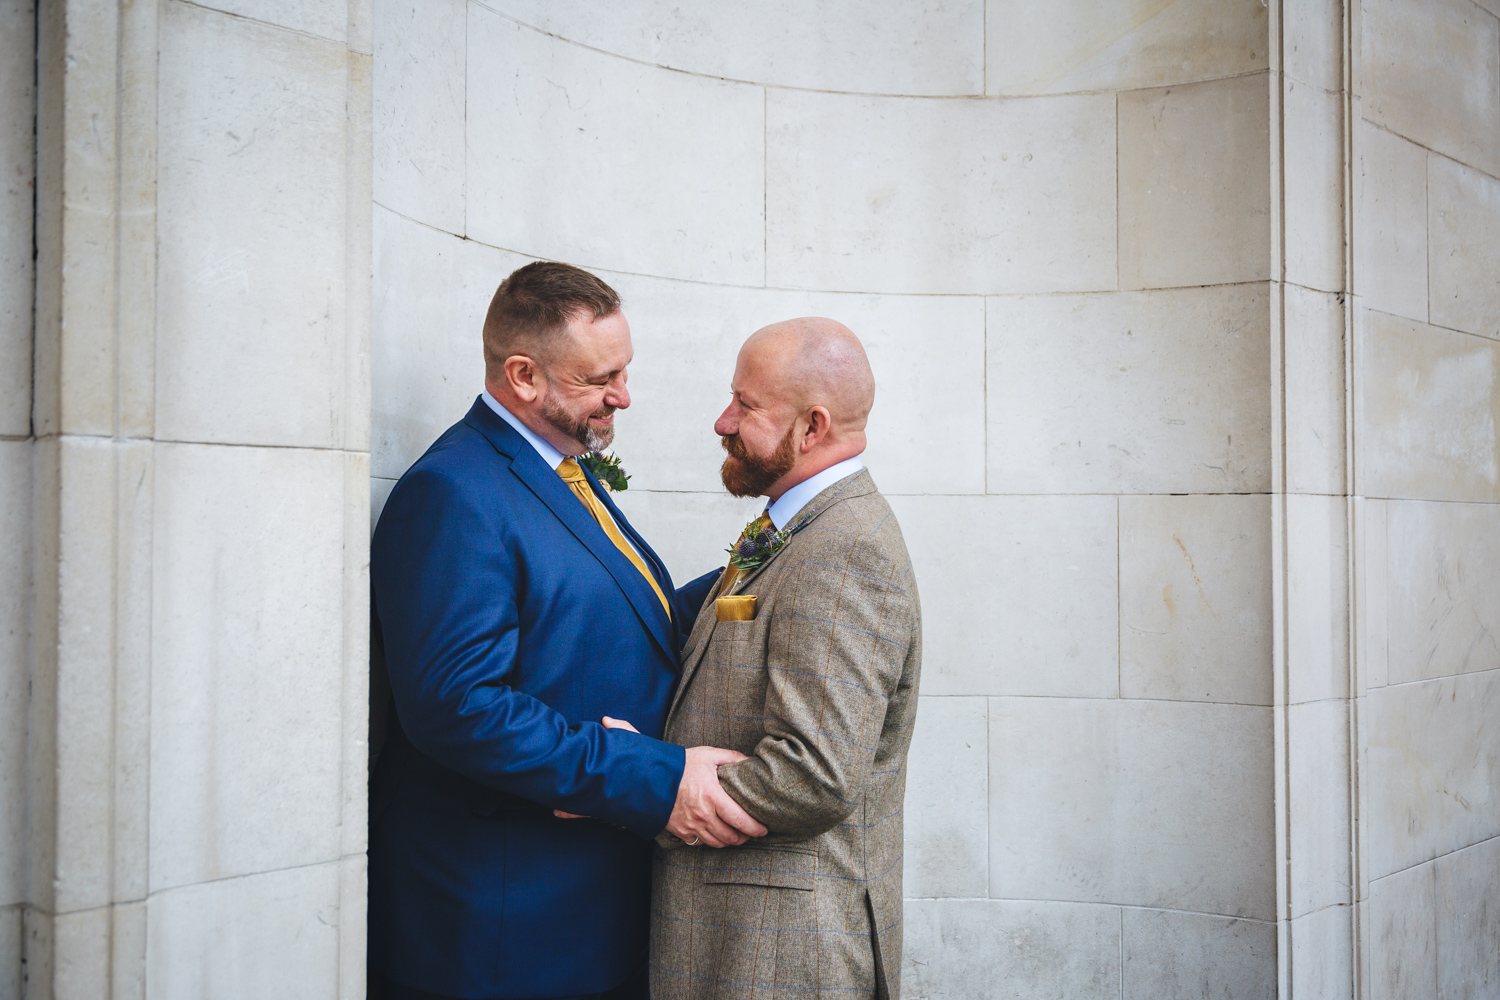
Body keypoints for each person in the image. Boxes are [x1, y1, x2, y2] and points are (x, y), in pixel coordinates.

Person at [368, 262, 766, 1000]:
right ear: (523, 375)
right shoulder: (453, 492)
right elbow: (459, 709)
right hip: (499, 926)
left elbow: (620, 622)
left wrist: (766, 565)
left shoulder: (560, 468)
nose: (623, 396)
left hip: (577, 910)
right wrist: (653, 776)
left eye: (624, 370)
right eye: (599, 378)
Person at [645, 317, 924, 1000]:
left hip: (780, 955)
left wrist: (651, 782)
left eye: (746, 405)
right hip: (745, 941)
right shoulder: (799, 526)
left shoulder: (844, 548)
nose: (722, 420)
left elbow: (814, 774)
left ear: (812, 426)